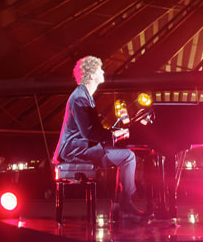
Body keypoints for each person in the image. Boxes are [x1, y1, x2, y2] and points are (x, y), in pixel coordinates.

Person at [53, 56, 145, 219]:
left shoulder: (84, 95)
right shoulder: (80, 98)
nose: (103, 72)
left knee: (124, 154)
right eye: (100, 69)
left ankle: (121, 204)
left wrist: (113, 133)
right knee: (128, 157)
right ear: (92, 74)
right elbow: (89, 133)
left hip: (82, 145)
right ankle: (124, 204)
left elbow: (92, 130)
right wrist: (113, 134)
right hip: (76, 149)